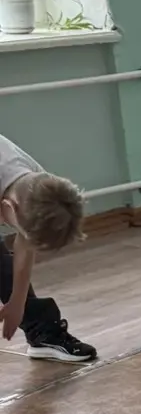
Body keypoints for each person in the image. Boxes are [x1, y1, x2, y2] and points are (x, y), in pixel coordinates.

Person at [0, 136, 92, 363]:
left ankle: (44, 333)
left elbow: (25, 242)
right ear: (7, 206)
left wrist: (17, 302)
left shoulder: (38, 184)